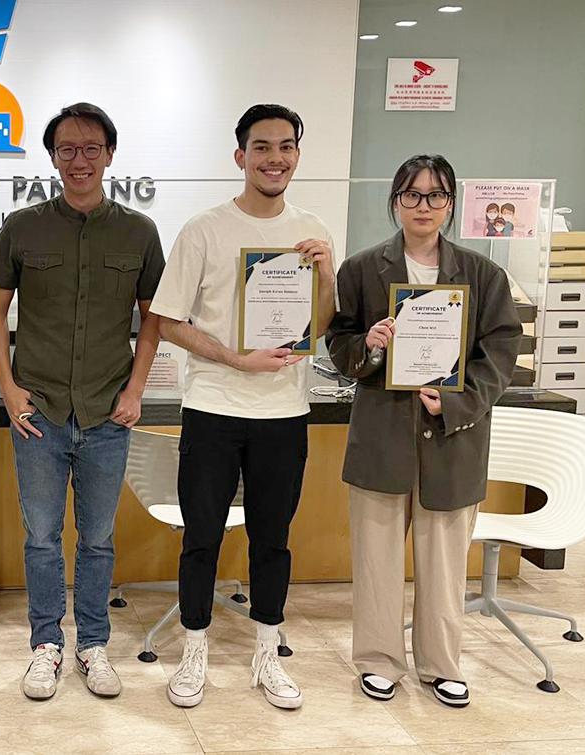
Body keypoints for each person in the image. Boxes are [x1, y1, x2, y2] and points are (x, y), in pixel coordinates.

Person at [151, 103, 335, 711]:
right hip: (214, 406)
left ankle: (266, 654)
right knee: (200, 536)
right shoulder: (204, 229)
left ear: (297, 156)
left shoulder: (313, 231)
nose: (274, 158)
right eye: (261, 147)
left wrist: (326, 275)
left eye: (285, 147)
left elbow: (323, 327)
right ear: (241, 157)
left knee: (272, 539)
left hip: (285, 412)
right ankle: (194, 652)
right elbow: (166, 322)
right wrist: (234, 358)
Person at [0, 102, 165, 700]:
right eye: (67, 149)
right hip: (38, 412)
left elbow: (153, 320)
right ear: (53, 156)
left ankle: (92, 644)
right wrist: (6, 387)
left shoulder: (138, 232)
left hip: (107, 411)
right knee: (40, 537)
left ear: (110, 154)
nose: (79, 159)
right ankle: (45, 645)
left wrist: (136, 390)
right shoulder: (23, 226)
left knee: (97, 538)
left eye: (91, 149)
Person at [325, 154, 520, 708]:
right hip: (382, 436)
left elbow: (500, 355)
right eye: (412, 195)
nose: (424, 206)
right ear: (395, 201)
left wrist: (455, 401)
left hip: (452, 438)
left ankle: (441, 664)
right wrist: (370, 345)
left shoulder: (482, 275)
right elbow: (340, 348)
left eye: (436, 196)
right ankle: (378, 660)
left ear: (451, 204)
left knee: (441, 562)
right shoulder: (362, 270)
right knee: (377, 557)